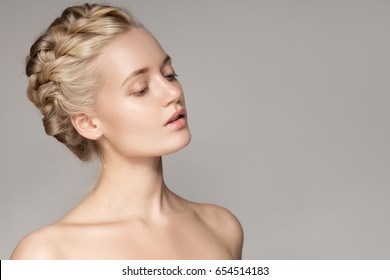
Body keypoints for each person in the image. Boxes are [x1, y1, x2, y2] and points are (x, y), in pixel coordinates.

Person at [11, 3, 243, 259]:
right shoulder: (48, 256)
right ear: (88, 123)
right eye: (141, 89)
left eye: (169, 74)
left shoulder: (221, 228)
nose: (174, 92)